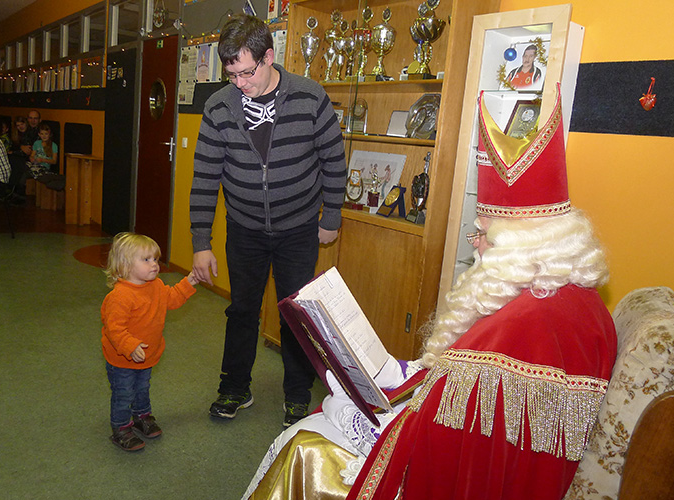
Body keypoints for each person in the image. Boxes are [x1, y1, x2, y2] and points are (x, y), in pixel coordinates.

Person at [243, 87, 617, 500]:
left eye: (485, 235)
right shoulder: (561, 294)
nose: (476, 245)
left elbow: (440, 446)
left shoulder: (525, 326)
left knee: (304, 446)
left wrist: (355, 413)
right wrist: (401, 375)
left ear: (524, 245)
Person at [189, 14, 347, 427]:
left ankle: (297, 395)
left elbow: (333, 160)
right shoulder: (219, 107)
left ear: (269, 57)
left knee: (296, 315)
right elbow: (205, 177)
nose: (240, 83)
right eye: (232, 74)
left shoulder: (310, 96)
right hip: (244, 230)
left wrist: (331, 215)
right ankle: (234, 388)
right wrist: (200, 242)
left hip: (299, 228)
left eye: (247, 72)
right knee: (242, 311)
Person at [101, 232, 199, 452]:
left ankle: (141, 416)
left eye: (155, 259)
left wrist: (189, 282)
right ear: (125, 265)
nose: (154, 264)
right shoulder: (120, 296)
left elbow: (172, 298)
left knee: (142, 388)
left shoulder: (156, 286)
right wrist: (130, 345)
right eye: (146, 259)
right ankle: (121, 428)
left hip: (148, 355)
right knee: (124, 393)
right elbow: (114, 329)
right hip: (121, 359)